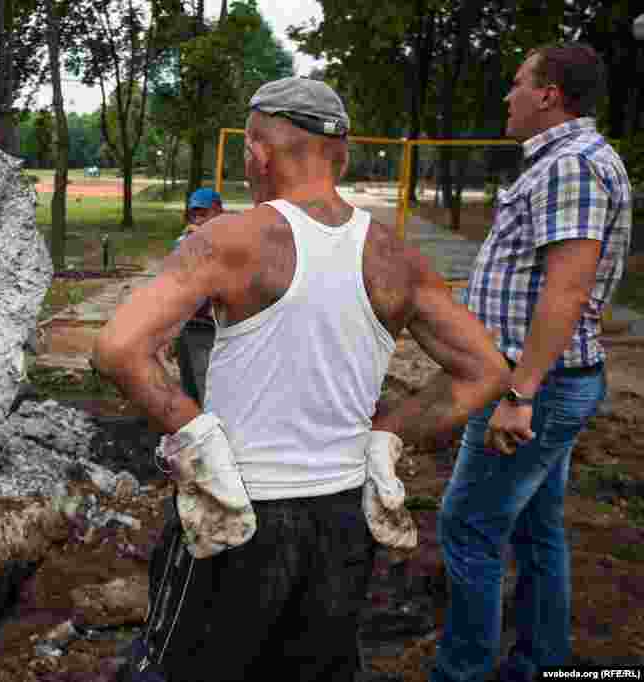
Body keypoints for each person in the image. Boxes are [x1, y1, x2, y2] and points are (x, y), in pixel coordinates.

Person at [93, 76, 510, 681]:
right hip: (344, 520)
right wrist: (387, 439)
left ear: (255, 153)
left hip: (239, 513)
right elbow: (486, 371)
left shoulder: (231, 239)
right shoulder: (396, 256)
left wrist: (197, 438)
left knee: (180, 669)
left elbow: (117, 348)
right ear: (339, 155)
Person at [432, 43, 633, 682]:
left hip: (534, 389)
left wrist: (519, 394)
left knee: (467, 528)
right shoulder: (564, 162)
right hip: (542, 382)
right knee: (535, 528)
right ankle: (542, 663)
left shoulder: (571, 165)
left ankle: (461, 673)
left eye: (518, 83)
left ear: (549, 94)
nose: (507, 95)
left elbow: (567, 289)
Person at [172, 188, 224, 405]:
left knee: (208, 386)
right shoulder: (186, 240)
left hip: (212, 329)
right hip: (186, 324)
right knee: (189, 384)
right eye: (194, 214)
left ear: (218, 211)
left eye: (204, 213)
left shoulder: (231, 237)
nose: (198, 219)